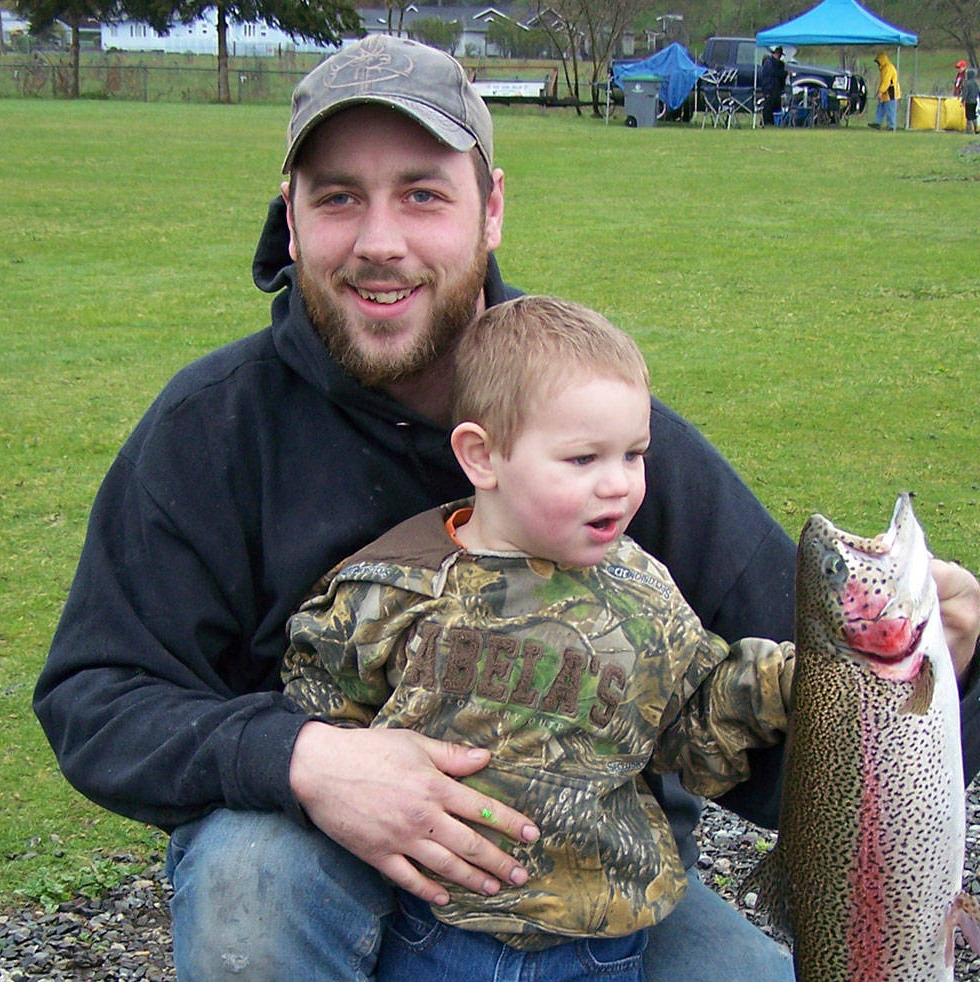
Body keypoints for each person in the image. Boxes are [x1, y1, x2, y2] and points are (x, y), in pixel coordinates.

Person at [32, 34, 980, 982]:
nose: (380, 242)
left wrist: (932, 684)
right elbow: (96, 694)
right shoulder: (212, 431)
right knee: (250, 880)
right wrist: (304, 759)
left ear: (489, 210)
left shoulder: (602, 437)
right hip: (327, 870)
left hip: (603, 902)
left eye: (422, 194)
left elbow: (788, 749)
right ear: (290, 219)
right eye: (338, 198)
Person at [283, 295, 799, 979]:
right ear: (482, 456)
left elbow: (692, 733)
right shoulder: (396, 590)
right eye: (583, 459)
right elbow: (318, 697)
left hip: (601, 945)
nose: (617, 485)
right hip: (431, 932)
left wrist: (792, 680)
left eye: (634, 454)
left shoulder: (646, 594)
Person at [871, 51, 899, 130]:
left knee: (890, 108)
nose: (878, 64)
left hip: (891, 91)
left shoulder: (888, 68)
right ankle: (877, 123)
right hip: (885, 91)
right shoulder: (884, 68)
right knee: (881, 107)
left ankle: (891, 126)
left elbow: (886, 82)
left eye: (878, 62)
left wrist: (880, 92)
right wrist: (880, 91)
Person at [760, 45, 787, 127]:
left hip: (775, 88)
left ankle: (774, 122)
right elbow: (774, 73)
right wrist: (785, 73)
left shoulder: (778, 64)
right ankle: (767, 122)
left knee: (775, 105)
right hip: (770, 87)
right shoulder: (769, 63)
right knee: (768, 106)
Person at [960, 67, 980, 133]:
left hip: (969, 102)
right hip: (975, 102)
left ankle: (969, 129)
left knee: (968, 116)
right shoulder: (975, 83)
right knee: (973, 115)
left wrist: (962, 101)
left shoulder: (967, 83)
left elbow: (965, 93)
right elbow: (979, 92)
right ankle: (976, 128)